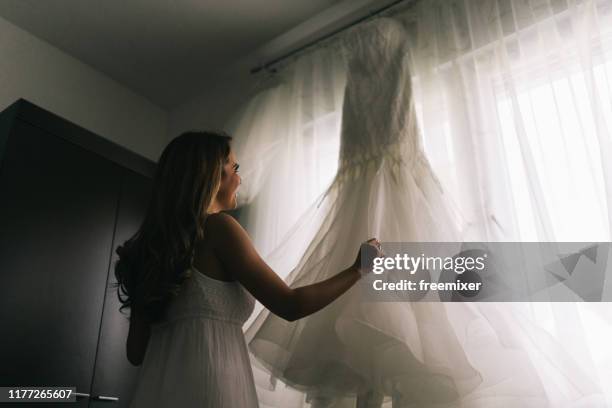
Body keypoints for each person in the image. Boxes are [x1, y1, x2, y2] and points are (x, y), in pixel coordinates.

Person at [113, 131, 381, 408]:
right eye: (234, 168)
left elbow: (136, 353)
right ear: (211, 174)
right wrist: (357, 270)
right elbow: (290, 305)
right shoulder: (220, 229)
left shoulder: (150, 252)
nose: (240, 179)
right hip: (212, 389)